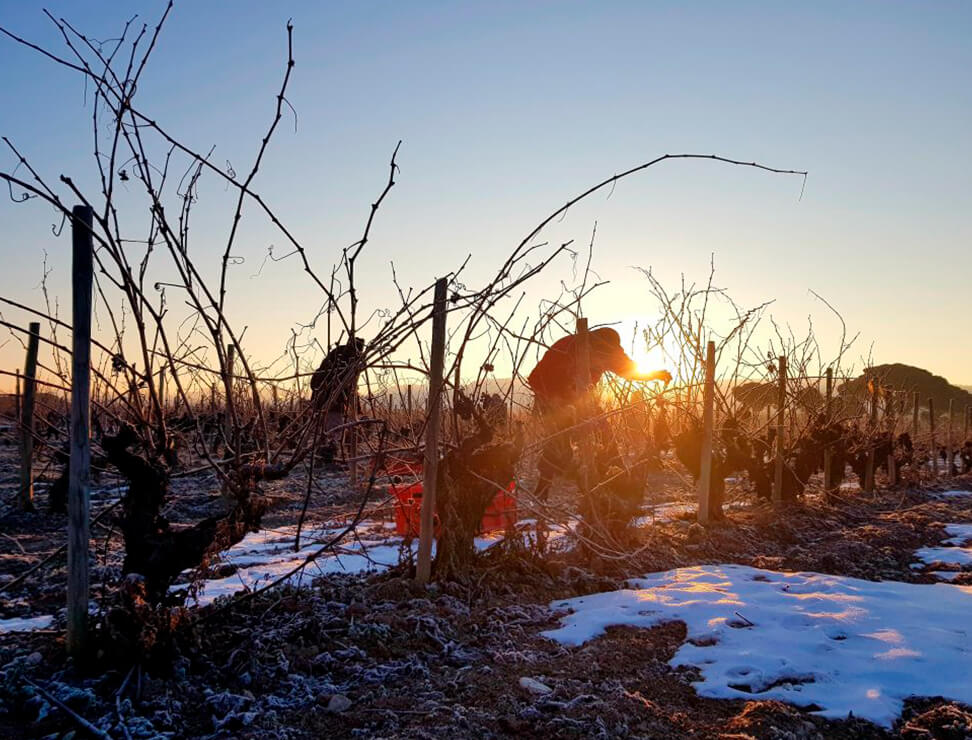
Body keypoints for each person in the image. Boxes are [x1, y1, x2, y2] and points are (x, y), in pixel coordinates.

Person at [526, 326, 671, 502]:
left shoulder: (606, 349)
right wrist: (557, 401)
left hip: (583, 400)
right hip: (552, 399)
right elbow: (536, 377)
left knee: (605, 433)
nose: (606, 359)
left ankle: (618, 478)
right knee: (558, 444)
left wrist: (654, 375)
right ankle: (544, 489)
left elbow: (628, 369)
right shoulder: (568, 346)